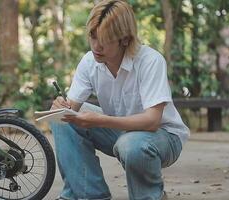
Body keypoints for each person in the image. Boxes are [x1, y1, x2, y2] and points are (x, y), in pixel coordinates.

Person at [50, 0, 190, 200]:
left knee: (131, 144)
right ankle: (91, 195)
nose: (96, 46)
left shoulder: (150, 61)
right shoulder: (89, 62)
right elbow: (71, 109)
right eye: (92, 36)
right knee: (62, 121)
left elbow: (152, 121)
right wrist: (61, 107)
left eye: (105, 39)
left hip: (163, 137)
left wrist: (99, 120)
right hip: (121, 132)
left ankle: (150, 196)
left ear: (124, 39)